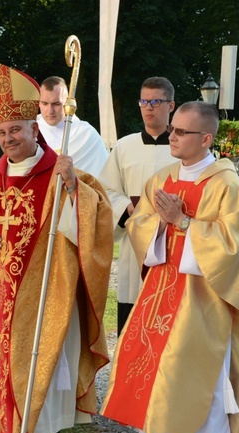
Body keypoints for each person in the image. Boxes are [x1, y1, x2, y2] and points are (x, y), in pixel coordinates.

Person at [0, 64, 112, 433]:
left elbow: (98, 218)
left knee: (39, 360)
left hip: (45, 289)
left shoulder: (60, 172)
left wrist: (71, 189)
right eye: (2, 132)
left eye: (16, 130)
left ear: (34, 128)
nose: (9, 139)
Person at [101, 101, 239, 433]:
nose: (172, 136)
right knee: (156, 375)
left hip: (202, 299)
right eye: (173, 129)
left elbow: (232, 245)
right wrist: (159, 224)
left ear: (206, 139)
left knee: (196, 377)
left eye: (182, 132)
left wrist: (183, 222)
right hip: (160, 294)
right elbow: (139, 226)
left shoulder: (226, 184)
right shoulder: (163, 177)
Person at [96, 77, 177, 335]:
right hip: (135, 240)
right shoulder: (124, 146)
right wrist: (127, 209)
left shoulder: (183, 145)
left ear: (171, 105)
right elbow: (106, 189)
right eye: (144, 101)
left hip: (173, 238)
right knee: (133, 311)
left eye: (156, 101)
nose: (149, 107)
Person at [36, 76, 108, 177]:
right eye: (44, 103)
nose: (50, 110)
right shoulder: (30, 130)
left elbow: (105, 179)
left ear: (67, 103)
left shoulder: (86, 134)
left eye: (56, 104)